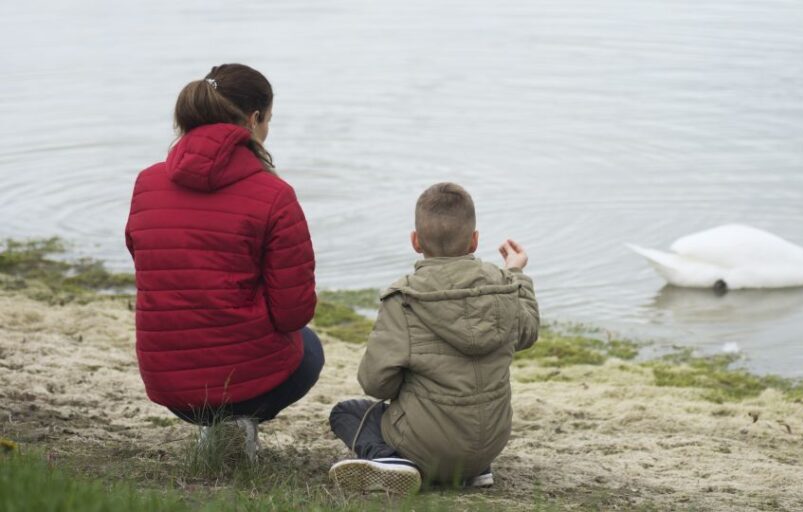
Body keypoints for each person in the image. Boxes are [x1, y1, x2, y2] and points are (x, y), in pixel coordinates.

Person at [124, 64, 320, 458]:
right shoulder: (275, 195)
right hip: (246, 383)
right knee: (310, 349)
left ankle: (216, 430)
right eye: (268, 120)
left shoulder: (147, 182)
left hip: (168, 383)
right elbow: (293, 313)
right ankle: (238, 421)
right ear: (254, 119)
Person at [327, 182, 540, 494]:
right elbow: (528, 332)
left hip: (426, 447)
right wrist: (517, 274)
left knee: (346, 413)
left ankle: (394, 462)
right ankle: (474, 471)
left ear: (415, 241)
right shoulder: (504, 286)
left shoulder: (404, 298)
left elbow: (375, 383)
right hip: (490, 443)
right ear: (475, 240)